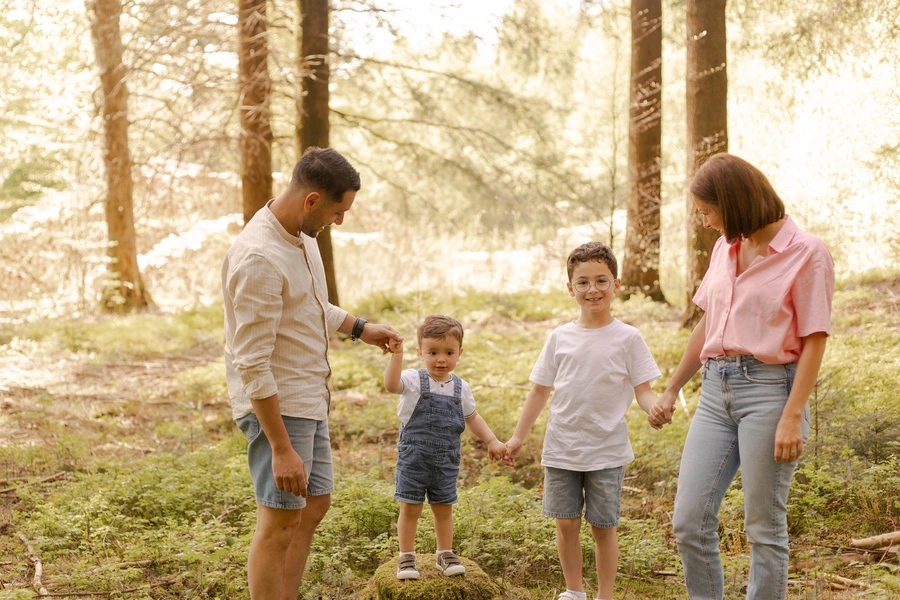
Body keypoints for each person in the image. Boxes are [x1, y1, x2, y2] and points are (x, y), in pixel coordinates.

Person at [649, 153, 835, 600]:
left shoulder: (806, 252)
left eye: (708, 211)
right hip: (715, 391)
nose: (705, 222)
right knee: (689, 521)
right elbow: (706, 324)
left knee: (763, 528)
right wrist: (674, 387)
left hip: (771, 394)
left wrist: (793, 415)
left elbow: (815, 339)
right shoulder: (724, 249)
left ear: (732, 203)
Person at [222, 147, 402, 600]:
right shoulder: (259, 258)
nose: (338, 221)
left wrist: (360, 328)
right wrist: (281, 448)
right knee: (280, 518)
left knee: (313, 504)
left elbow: (311, 306)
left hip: (308, 396)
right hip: (278, 408)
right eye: (337, 211)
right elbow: (252, 363)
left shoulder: (302, 237)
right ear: (312, 199)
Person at [504, 242, 663, 600]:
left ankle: (605, 595)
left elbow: (644, 391)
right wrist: (517, 437)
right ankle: (574, 591)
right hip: (562, 447)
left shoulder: (628, 338)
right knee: (566, 522)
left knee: (603, 527)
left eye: (602, 281)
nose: (593, 290)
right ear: (570, 287)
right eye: (584, 282)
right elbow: (539, 392)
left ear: (617, 285)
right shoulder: (559, 337)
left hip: (607, 449)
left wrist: (654, 407)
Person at [383, 314, 507, 580]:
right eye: (433, 352)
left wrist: (492, 440)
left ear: (459, 353)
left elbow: (471, 417)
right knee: (410, 507)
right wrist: (397, 356)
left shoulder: (461, 388)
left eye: (449, 352)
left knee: (443, 507)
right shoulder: (413, 380)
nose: (441, 359)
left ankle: (444, 553)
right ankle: (406, 557)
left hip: (446, 460)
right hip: (414, 457)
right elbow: (391, 385)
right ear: (420, 352)